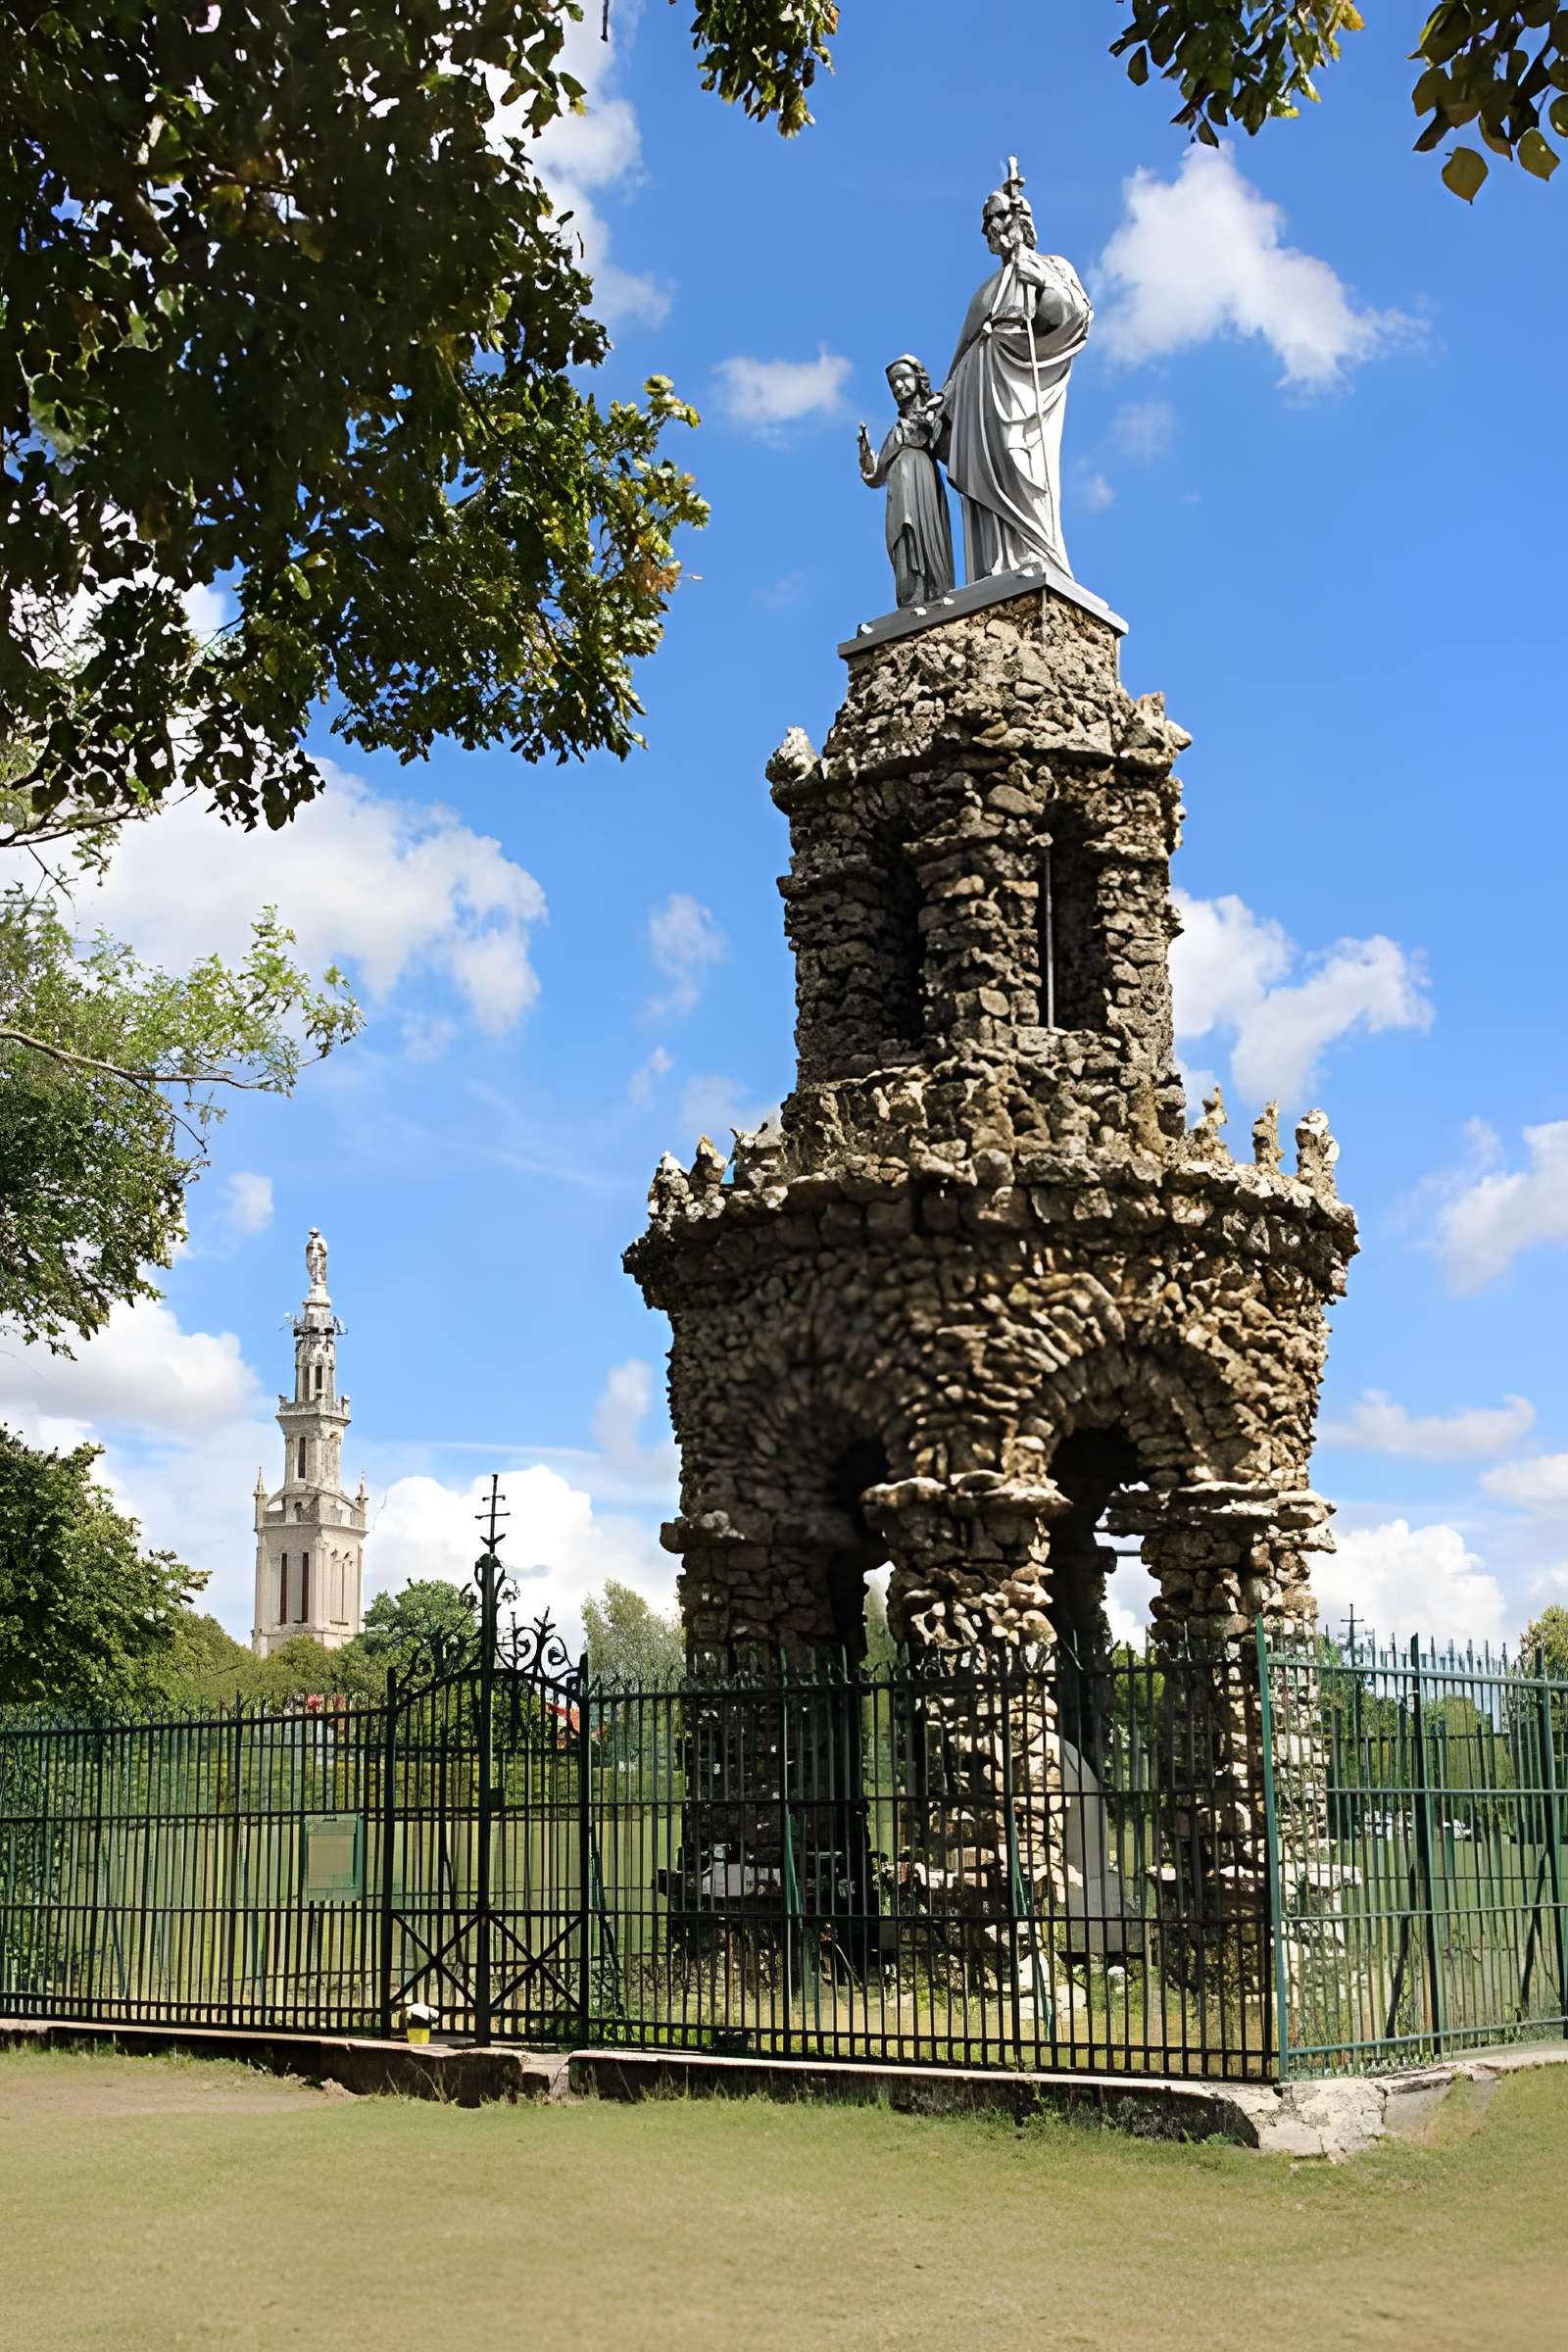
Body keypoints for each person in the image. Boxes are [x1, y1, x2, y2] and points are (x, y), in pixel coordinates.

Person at [939, 171, 1092, 581]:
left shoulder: (1051, 265)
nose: (991, 229)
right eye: (986, 223)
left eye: (996, 218)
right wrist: (945, 400)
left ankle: (1036, 553)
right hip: (980, 387)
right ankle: (994, 566)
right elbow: (963, 352)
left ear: (1018, 218)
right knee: (986, 473)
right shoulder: (985, 290)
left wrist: (1038, 279)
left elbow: (1075, 316)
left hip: (1022, 377)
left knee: (1018, 458)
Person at [857, 355, 955, 610]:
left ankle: (933, 592)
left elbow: (949, 451)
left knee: (923, 534)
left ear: (918, 378)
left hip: (922, 481)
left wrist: (937, 419)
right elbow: (876, 476)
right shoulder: (896, 430)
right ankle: (911, 598)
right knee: (902, 537)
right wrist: (866, 455)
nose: (898, 387)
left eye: (903, 378)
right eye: (892, 384)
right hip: (899, 489)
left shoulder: (934, 412)